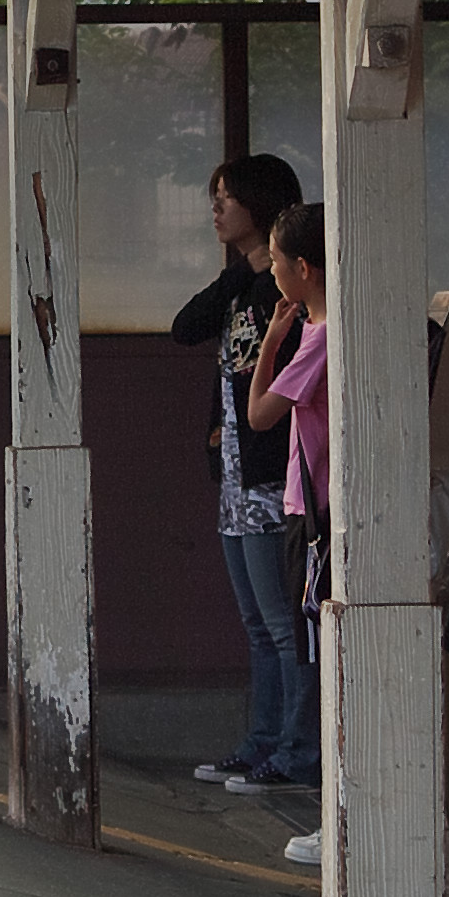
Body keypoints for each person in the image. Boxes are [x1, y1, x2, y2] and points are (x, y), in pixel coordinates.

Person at [171, 154, 306, 791]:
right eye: (214, 195)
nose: (216, 208)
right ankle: (261, 742)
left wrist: (261, 274)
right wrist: (241, 273)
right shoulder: (242, 285)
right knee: (257, 623)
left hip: (271, 474)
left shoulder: (288, 296)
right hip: (233, 476)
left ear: (261, 204)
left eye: (227, 197)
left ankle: (295, 751)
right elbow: (184, 329)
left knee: (283, 623)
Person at [245, 201, 330, 857]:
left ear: (302, 268)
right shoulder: (328, 330)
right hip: (322, 509)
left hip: (319, 514)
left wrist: (272, 340)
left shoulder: (318, 338)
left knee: (322, 652)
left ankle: (337, 809)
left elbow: (261, 415)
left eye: (276, 262)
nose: (272, 273)